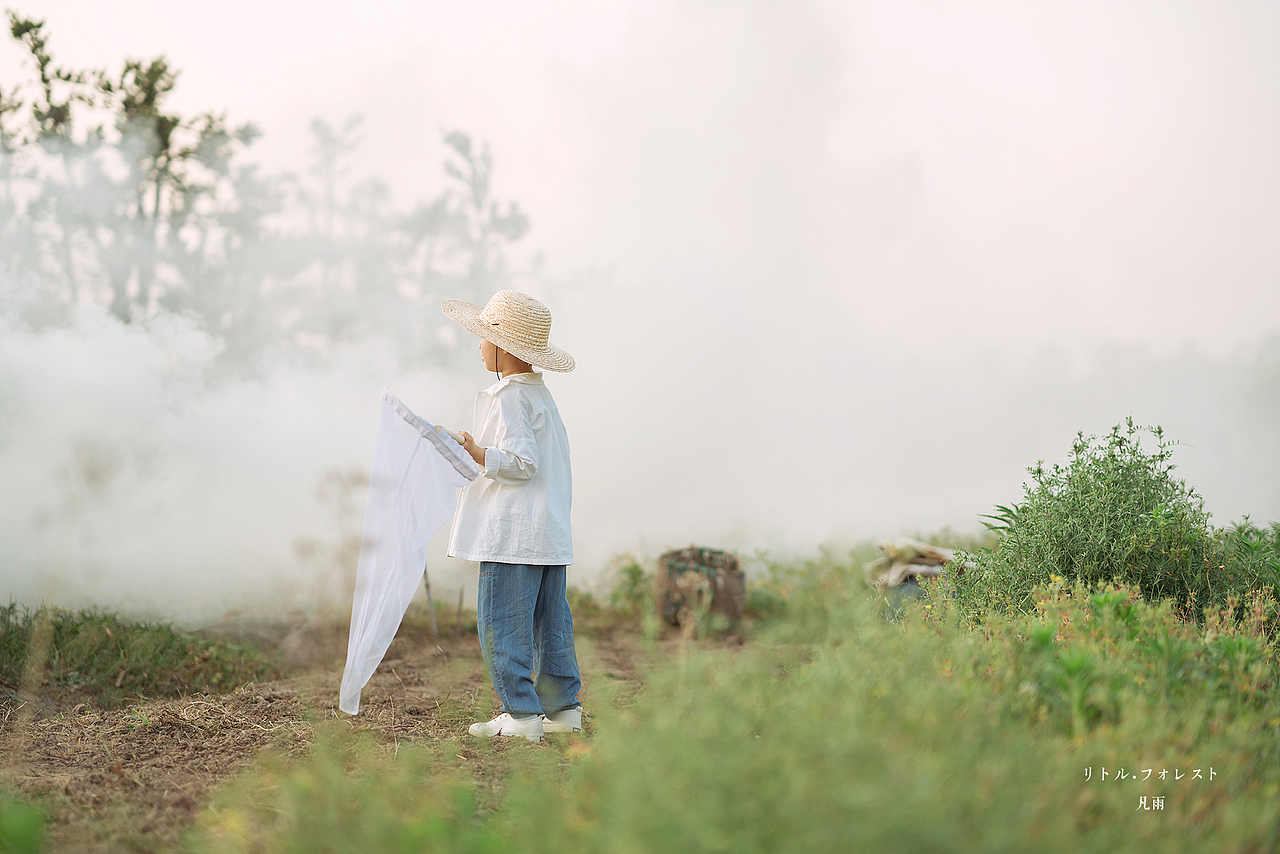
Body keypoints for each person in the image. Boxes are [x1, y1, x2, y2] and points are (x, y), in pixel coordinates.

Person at [441, 290, 582, 742]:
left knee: (502, 621)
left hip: (513, 534)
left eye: (482, 338)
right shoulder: (540, 396)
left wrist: (474, 450)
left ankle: (520, 716)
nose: (478, 346)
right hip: (547, 534)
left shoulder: (507, 398)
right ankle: (562, 710)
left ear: (503, 347)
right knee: (550, 623)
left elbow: (520, 464)